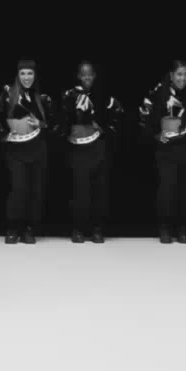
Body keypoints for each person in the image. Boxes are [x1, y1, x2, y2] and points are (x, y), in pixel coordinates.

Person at [0, 57, 57, 244]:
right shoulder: (7, 94)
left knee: (35, 189)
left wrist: (41, 123)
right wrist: (3, 135)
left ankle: (29, 229)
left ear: (35, 75)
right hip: (15, 149)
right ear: (17, 75)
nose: (26, 77)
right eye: (23, 73)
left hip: (37, 147)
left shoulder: (42, 98)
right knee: (18, 188)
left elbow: (55, 124)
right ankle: (13, 228)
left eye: (30, 73)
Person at [139, 60, 186, 243]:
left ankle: (185, 229)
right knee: (167, 188)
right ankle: (165, 228)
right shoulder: (158, 92)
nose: (183, 78)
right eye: (179, 74)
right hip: (167, 148)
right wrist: (155, 134)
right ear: (171, 75)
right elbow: (143, 116)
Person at [58, 59, 127, 243]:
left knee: (99, 188)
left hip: (97, 147)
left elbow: (118, 117)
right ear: (78, 76)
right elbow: (62, 119)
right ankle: (78, 228)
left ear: (94, 76)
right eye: (83, 75)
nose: (87, 78)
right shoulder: (69, 95)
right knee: (79, 189)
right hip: (77, 147)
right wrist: (67, 130)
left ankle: (97, 228)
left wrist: (103, 127)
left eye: (90, 75)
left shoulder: (104, 97)